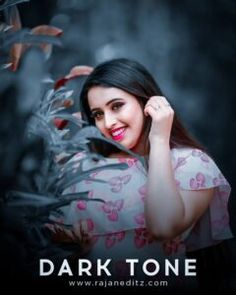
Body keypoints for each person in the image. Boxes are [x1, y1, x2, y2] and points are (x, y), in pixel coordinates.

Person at [50, 58, 233, 291]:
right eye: (97, 114)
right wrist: (75, 251)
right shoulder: (81, 168)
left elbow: (163, 228)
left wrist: (158, 139)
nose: (108, 122)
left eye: (116, 106)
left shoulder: (192, 165)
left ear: (146, 101)